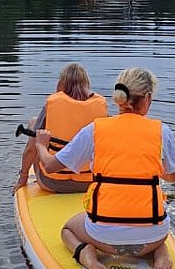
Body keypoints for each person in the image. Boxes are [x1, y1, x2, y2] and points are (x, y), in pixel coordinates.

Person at [34, 66, 175, 269]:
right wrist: (156, 172)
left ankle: (85, 252)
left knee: (67, 230)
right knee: (159, 222)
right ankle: (159, 251)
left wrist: (41, 144)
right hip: (153, 235)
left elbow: (49, 165)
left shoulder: (95, 130)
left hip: (103, 237)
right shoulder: (162, 131)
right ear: (147, 98)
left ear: (118, 97)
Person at [15, 63, 108, 193]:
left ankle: (24, 175)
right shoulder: (101, 107)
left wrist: (23, 178)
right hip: (89, 183)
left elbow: (31, 150)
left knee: (34, 124)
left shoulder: (53, 104)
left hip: (53, 182)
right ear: (87, 84)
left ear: (61, 83)